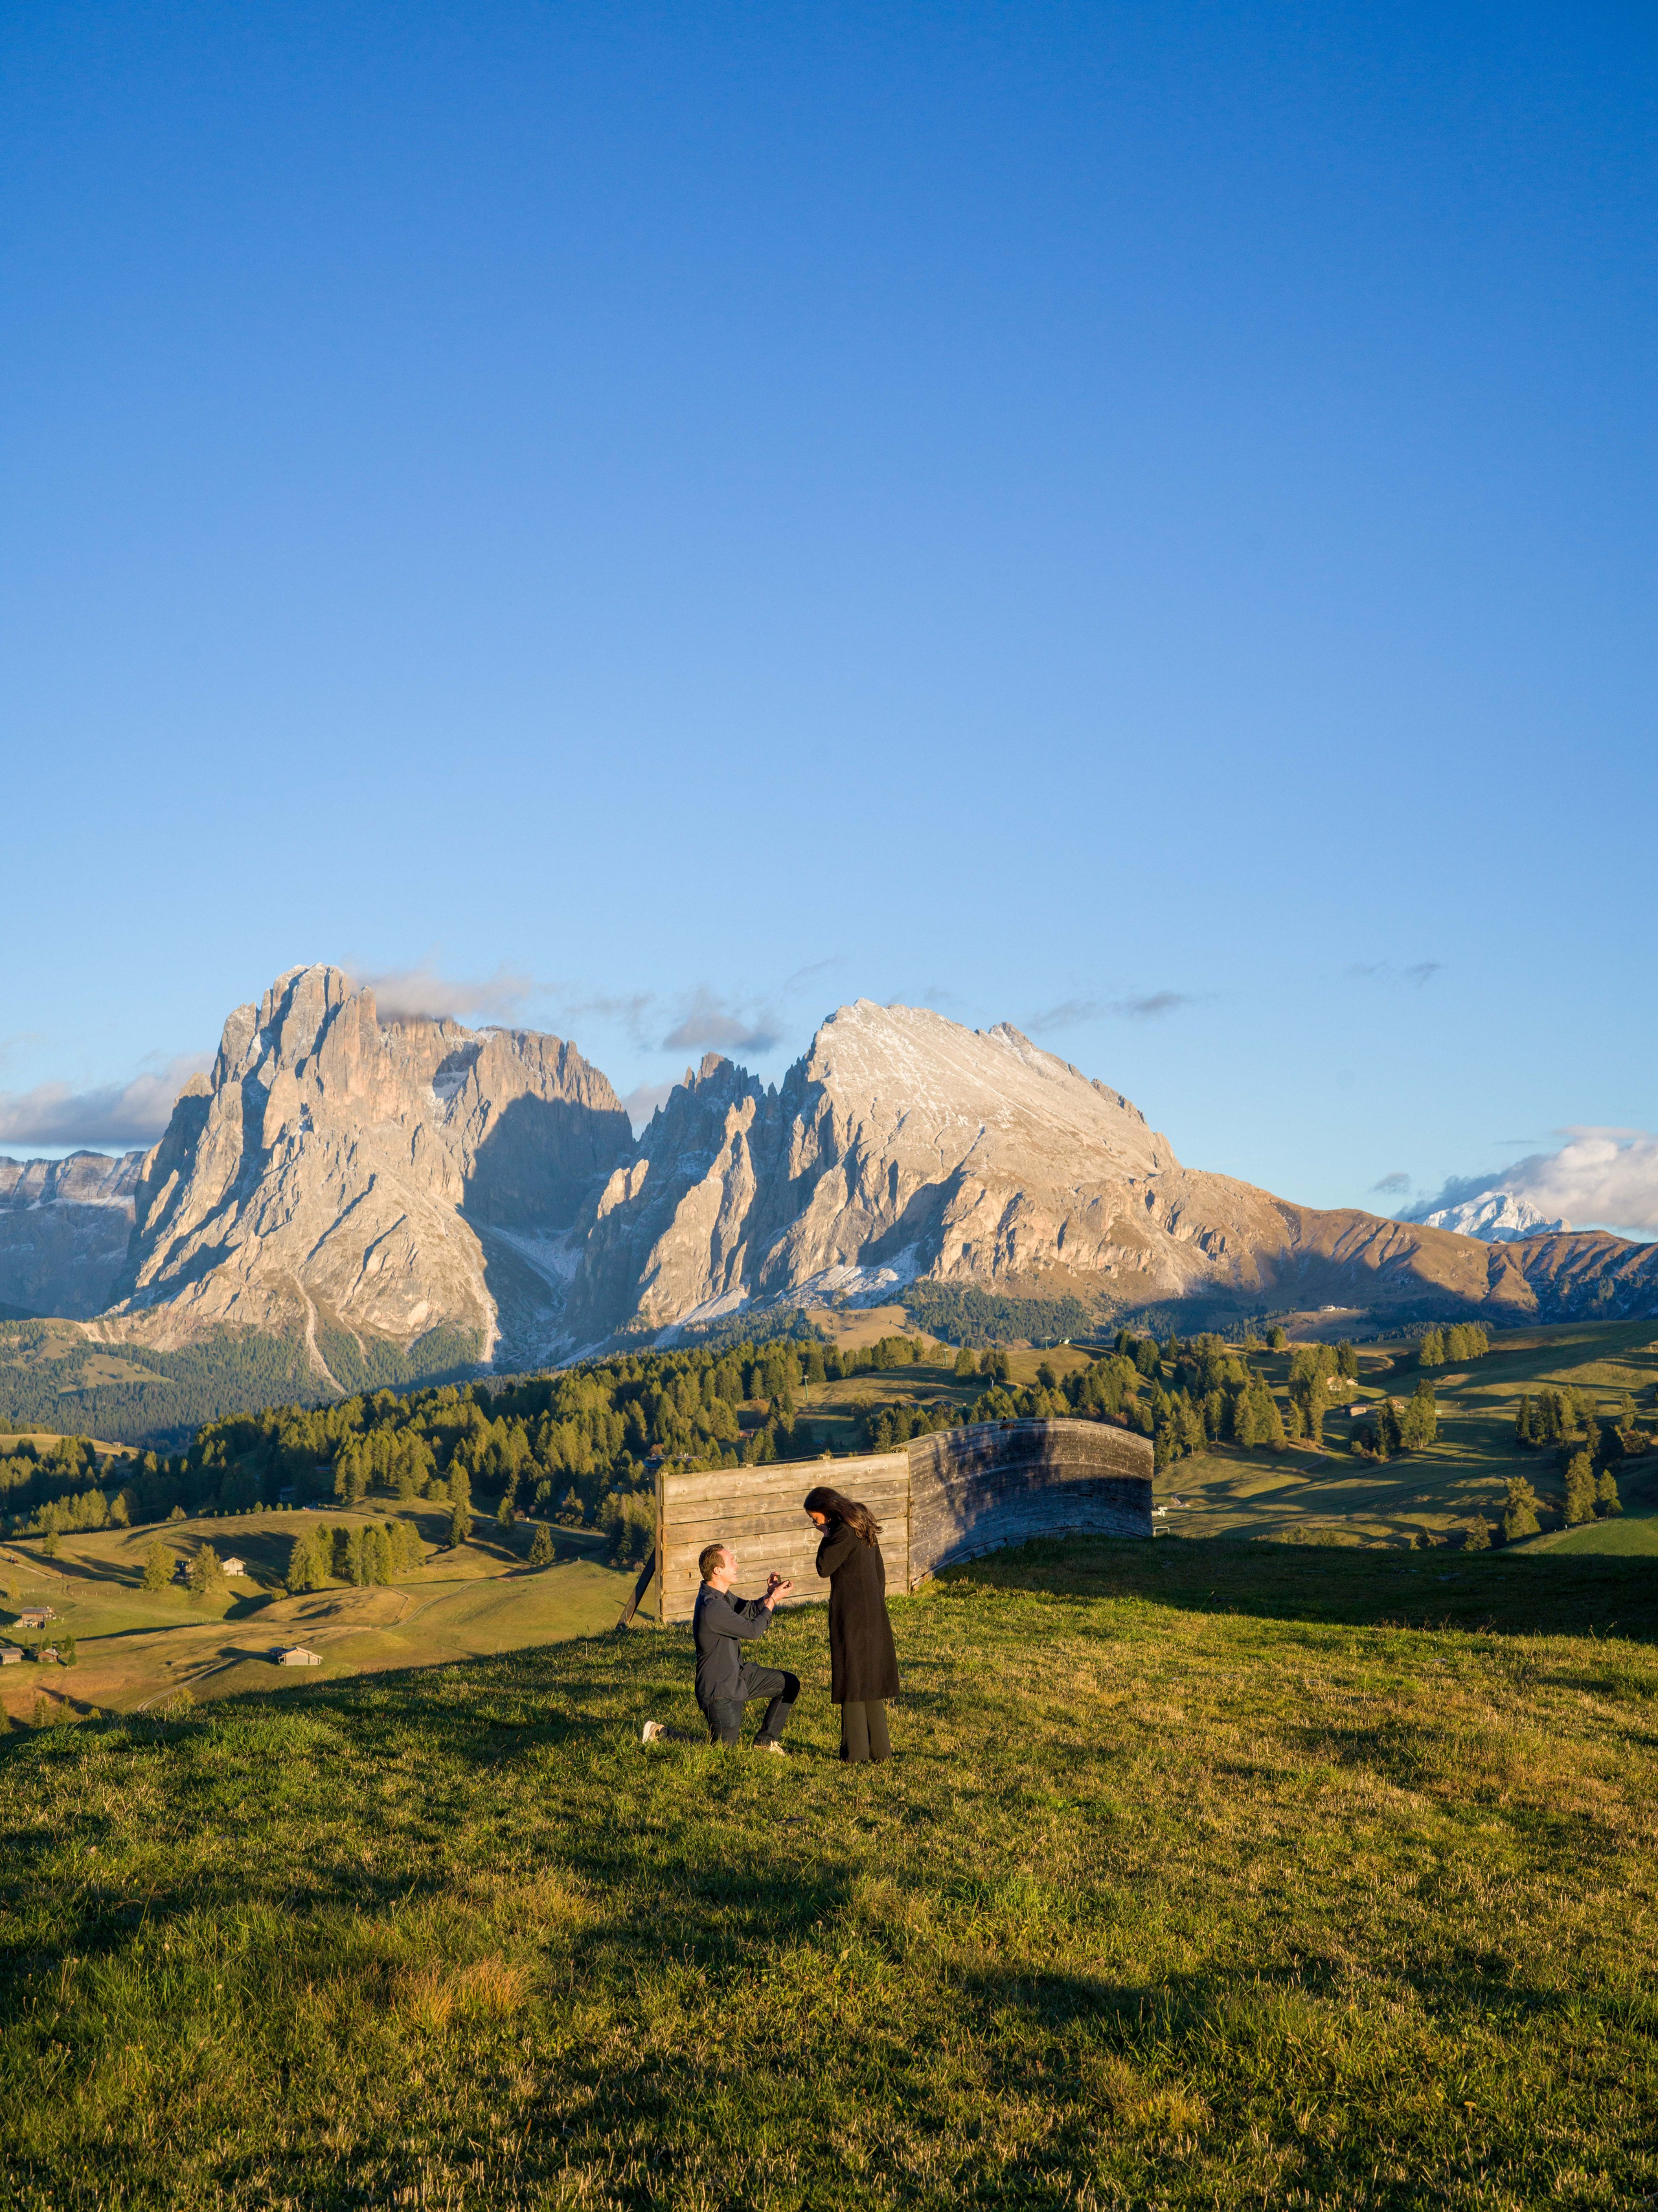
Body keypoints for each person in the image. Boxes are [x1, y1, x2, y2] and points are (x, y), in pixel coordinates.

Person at [802, 1484, 899, 1763]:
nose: (814, 1522)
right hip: (873, 1610)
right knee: (869, 1681)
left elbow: (824, 1568)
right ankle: (881, 1752)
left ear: (827, 1510)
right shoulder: (862, 1523)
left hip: (851, 1613)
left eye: (815, 1517)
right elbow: (879, 1571)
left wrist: (826, 1534)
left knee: (852, 1680)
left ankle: (856, 1753)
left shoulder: (842, 1531)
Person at [690, 1542, 798, 1752]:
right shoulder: (712, 1607)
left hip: (738, 1677)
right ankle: (662, 1735)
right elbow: (752, 1631)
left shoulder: (721, 1596)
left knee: (789, 1684)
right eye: (732, 1562)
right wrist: (773, 1601)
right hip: (719, 1689)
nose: (737, 1566)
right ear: (717, 1570)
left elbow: (748, 1610)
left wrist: (769, 1595)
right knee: (723, 1753)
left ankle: (765, 1742)